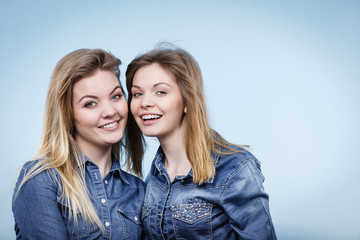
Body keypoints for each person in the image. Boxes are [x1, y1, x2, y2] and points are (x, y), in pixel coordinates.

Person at [125, 45, 277, 239]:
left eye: (160, 92)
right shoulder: (155, 175)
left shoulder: (235, 168)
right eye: (137, 93)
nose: (145, 103)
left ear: (187, 101)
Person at [12, 49, 145, 239]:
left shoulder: (138, 190)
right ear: (67, 114)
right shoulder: (41, 180)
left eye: (115, 96)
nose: (109, 111)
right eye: (90, 103)